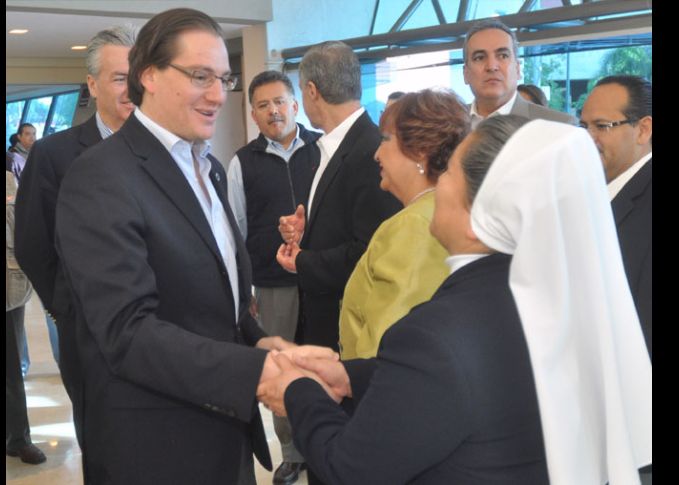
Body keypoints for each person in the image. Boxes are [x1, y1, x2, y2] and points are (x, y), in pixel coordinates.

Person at [258, 116, 652, 485]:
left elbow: (350, 467)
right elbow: (456, 385)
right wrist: (350, 376)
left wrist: (296, 390)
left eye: (448, 172)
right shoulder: (549, 295)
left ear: (480, 208)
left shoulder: (436, 333)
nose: (437, 183)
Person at [54, 9, 333, 484]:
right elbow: (127, 331)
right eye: (200, 76)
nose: (217, 95)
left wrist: (259, 340)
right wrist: (258, 372)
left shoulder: (209, 168)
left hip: (223, 429)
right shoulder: (101, 176)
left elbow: (215, 300)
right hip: (156, 444)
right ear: (149, 77)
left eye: (224, 79)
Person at [275, 39, 402, 485]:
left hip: (350, 338)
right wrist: (302, 230)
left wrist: (302, 261)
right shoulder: (329, 146)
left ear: (310, 91)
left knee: (341, 458)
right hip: (327, 323)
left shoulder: (369, 151)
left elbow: (368, 251)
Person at [14, 25, 137, 453]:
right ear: (92, 84)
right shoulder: (55, 155)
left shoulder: (168, 149)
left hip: (162, 334)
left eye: (138, 75)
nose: (131, 88)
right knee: (105, 446)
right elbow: (32, 242)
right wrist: (65, 309)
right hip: (88, 334)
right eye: (120, 77)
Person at [227, 69, 321, 485]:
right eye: (263, 105)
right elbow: (236, 230)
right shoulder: (242, 162)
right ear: (253, 113)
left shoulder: (321, 149)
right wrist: (244, 289)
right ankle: (292, 451)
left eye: (280, 101)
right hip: (271, 281)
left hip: (322, 276)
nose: (273, 111)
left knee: (323, 361)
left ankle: (328, 440)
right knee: (283, 366)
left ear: (296, 105)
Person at [339, 88, 469, 360]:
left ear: (420, 150)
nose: (376, 154)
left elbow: (388, 340)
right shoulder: (439, 211)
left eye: (385, 140)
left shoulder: (415, 225)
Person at [580, 75, 652, 361]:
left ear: (643, 130)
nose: (587, 138)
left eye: (602, 126)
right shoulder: (591, 191)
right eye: (583, 126)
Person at [462, 19, 575, 129]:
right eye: (479, 58)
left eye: (503, 56)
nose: (491, 66)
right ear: (466, 73)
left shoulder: (560, 127)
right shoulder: (448, 125)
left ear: (517, 68)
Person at [6, 172, 46, 465]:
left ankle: (18, 438)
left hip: (8, 287)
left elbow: (19, 228)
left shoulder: (8, 180)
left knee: (9, 365)